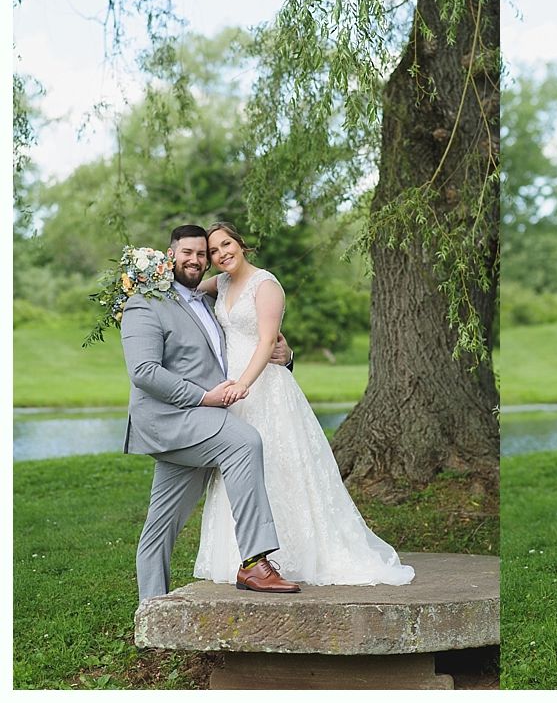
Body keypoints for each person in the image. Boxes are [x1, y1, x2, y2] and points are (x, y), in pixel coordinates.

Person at [192, 221, 414, 587]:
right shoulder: (222, 283)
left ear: (241, 244)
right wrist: (153, 279)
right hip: (232, 388)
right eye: (213, 251)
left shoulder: (266, 285)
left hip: (263, 386)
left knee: (279, 464)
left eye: (226, 244)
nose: (221, 254)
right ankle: (243, 555)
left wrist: (243, 384)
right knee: (240, 467)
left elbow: (268, 342)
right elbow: (186, 289)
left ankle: (292, 552)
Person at [122, 224, 300, 600]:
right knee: (243, 442)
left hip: (199, 423)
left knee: (160, 526)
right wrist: (204, 398)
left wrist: (285, 356)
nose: (196, 259)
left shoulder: (206, 299)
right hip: (174, 419)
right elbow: (144, 372)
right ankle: (254, 562)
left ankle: (150, 608)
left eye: (202, 254)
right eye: (187, 252)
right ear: (169, 255)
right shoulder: (145, 303)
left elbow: (244, 342)